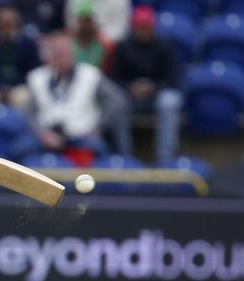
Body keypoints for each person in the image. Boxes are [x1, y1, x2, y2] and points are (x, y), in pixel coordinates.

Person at [26, 33, 130, 165]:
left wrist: (98, 127)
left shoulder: (90, 74)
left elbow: (118, 100)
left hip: (81, 135)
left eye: (64, 55)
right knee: (20, 149)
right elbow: (27, 111)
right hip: (47, 136)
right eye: (57, 55)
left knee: (98, 148)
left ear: (73, 55)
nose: (60, 59)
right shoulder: (38, 77)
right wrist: (41, 133)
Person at [112, 5, 183, 164]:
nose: (143, 30)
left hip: (158, 93)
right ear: (133, 27)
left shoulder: (165, 47)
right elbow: (115, 79)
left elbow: (173, 80)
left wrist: (153, 88)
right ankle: (124, 156)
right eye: (139, 27)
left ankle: (165, 158)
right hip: (131, 94)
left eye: (146, 27)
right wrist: (130, 88)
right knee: (117, 101)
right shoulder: (123, 47)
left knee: (169, 102)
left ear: (152, 27)